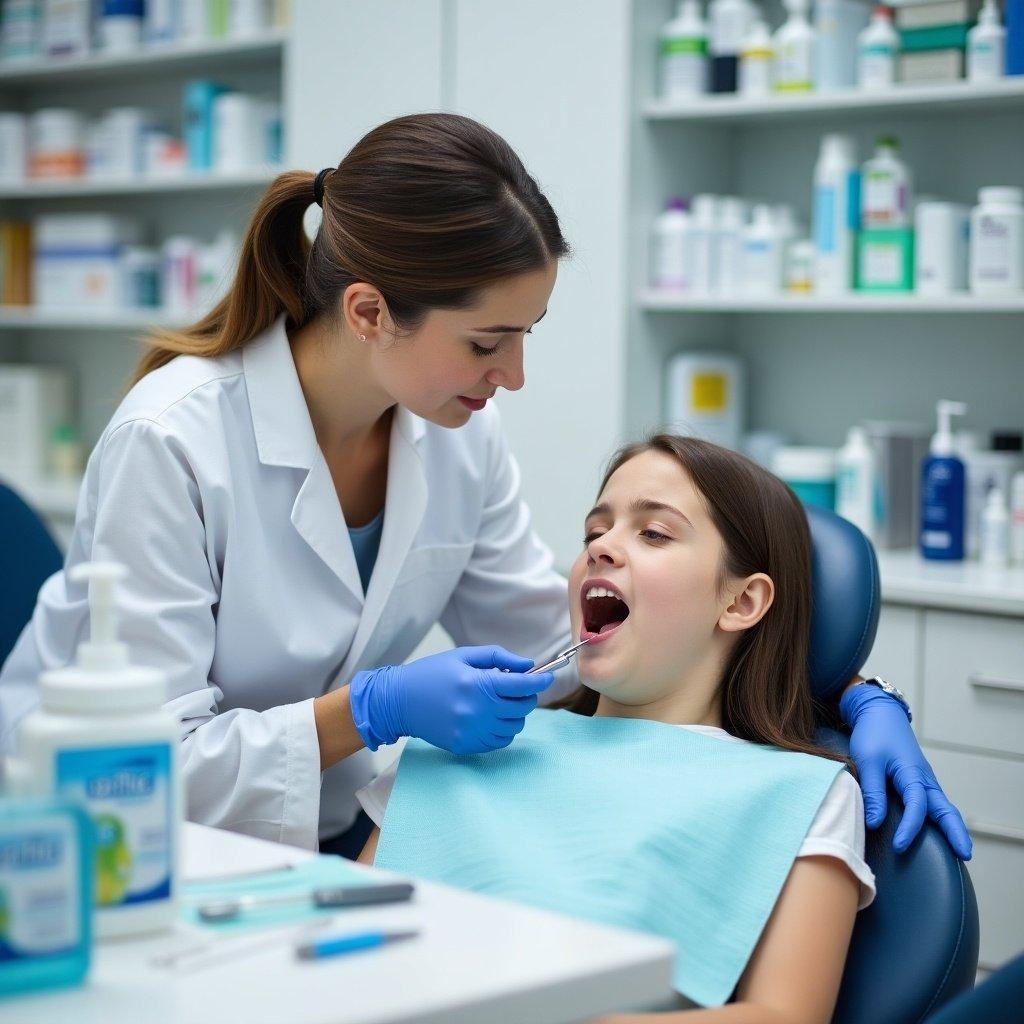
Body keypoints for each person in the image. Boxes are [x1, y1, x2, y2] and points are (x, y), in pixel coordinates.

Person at [0, 113, 969, 862]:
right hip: (78, 847)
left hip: (299, 846)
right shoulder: (171, 440)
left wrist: (844, 693)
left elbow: (561, 651)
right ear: (370, 310)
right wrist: (367, 710)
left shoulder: (457, 435)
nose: (510, 377)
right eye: (484, 341)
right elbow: (134, 768)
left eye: (525, 336)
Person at [357, 436, 875, 1017]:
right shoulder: (464, 740)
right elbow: (332, 936)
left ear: (741, 602)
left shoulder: (798, 793)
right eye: (593, 533)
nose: (603, 547)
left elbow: (785, 1016)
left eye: (653, 533)